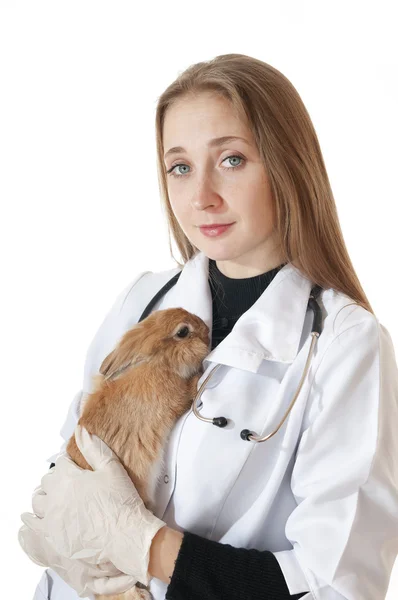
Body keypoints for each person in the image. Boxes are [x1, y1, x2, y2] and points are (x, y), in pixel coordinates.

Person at [18, 53, 398, 600]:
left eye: (233, 160)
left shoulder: (344, 344)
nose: (201, 198)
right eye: (180, 167)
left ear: (287, 163)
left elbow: (335, 584)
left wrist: (142, 544)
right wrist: (72, 546)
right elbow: (74, 461)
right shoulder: (143, 300)